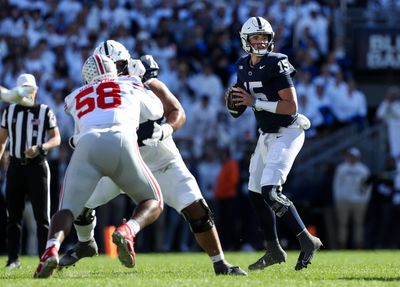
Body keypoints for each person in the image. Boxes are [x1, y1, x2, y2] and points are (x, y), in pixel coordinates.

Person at [59, 40, 246, 276]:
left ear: (127, 62)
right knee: (82, 202)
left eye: (118, 65)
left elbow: (177, 112)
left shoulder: (145, 80)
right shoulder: (96, 90)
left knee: (197, 208)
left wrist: (164, 130)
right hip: (120, 162)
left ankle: (220, 263)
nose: (114, 71)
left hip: (159, 159)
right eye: (110, 66)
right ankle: (86, 244)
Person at [33, 54, 164, 278]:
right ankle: (127, 230)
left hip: (87, 145)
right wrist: (140, 80)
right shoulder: (130, 83)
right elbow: (158, 111)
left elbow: (75, 137)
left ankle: (51, 249)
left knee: (67, 209)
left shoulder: (75, 96)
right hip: (122, 141)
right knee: (153, 200)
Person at [225, 17, 322, 271]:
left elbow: (291, 106)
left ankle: (307, 240)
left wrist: (253, 102)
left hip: (288, 131)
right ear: (246, 40)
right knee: (255, 192)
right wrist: (234, 103)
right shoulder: (242, 65)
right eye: (256, 37)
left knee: (270, 191)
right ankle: (273, 250)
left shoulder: (276, 62)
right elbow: (239, 109)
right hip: (266, 133)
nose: (261, 42)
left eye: (265, 37)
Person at [0, 73, 61, 269]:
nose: (29, 93)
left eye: (30, 89)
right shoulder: (9, 112)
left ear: (36, 90)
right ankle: (13, 259)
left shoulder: (44, 111)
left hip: (38, 167)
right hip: (16, 166)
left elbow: (56, 138)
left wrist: (40, 148)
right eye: (24, 89)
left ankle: (44, 259)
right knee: (13, 216)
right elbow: (2, 140)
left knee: (42, 217)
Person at [333, 147, 371, 249]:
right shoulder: (341, 168)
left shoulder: (363, 169)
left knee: (358, 223)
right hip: (343, 200)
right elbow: (336, 184)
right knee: (342, 223)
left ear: (358, 157)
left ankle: (358, 243)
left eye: (354, 156)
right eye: (350, 156)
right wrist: (338, 198)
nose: (352, 158)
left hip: (359, 201)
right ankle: (342, 243)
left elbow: (368, 186)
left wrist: (365, 199)